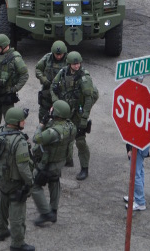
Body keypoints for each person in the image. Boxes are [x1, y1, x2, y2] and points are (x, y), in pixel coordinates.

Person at [0, 107, 34, 251]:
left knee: (2, 204)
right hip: (16, 182)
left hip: (2, 178)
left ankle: (2, 231)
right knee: (17, 213)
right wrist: (30, 181)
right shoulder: (20, 141)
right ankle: (17, 243)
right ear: (16, 122)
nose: (24, 122)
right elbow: (23, 167)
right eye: (22, 120)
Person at [51, 51, 99, 181]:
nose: (77, 66)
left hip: (78, 112)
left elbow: (88, 99)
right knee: (63, 136)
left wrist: (84, 118)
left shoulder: (84, 78)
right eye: (74, 64)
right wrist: (57, 103)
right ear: (69, 64)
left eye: (78, 63)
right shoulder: (63, 73)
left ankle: (84, 168)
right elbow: (53, 87)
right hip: (66, 111)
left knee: (80, 141)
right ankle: (68, 159)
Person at [31, 100, 76, 226]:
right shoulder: (70, 126)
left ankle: (46, 213)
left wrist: (41, 124)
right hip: (60, 162)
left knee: (34, 185)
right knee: (54, 182)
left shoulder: (53, 132)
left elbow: (36, 138)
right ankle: (54, 211)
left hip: (47, 164)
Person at [0, 34, 29, 129]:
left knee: (9, 117)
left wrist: (15, 88)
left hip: (7, 93)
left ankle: (8, 136)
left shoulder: (15, 58)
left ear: (4, 46)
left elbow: (24, 75)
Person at [35, 40, 68, 124]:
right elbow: (38, 69)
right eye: (57, 54)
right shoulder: (47, 58)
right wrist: (43, 79)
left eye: (61, 54)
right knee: (43, 113)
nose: (59, 56)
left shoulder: (68, 60)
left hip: (62, 91)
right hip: (47, 89)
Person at [124, 143, 150, 211]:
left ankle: (140, 202)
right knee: (139, 171)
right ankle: (137, 196)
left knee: (135, 174)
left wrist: (132, 150)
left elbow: (137, 136)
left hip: (137, 147)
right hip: (141, 147)